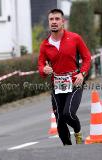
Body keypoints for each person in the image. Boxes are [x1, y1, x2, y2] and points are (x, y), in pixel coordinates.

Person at [38, 9, 91, 145]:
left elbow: (87, 58)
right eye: (51, 19)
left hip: (74, 82)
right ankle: (67, 148)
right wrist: (44, 69)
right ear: (49, 22)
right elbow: (40, 67)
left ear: (63, 21)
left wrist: (82, 73)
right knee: (60, 119)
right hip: (57, 85)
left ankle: (78, 132)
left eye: (57, 19)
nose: (54, 22)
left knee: (68, 114)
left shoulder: (74, 38)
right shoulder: (45, 45)